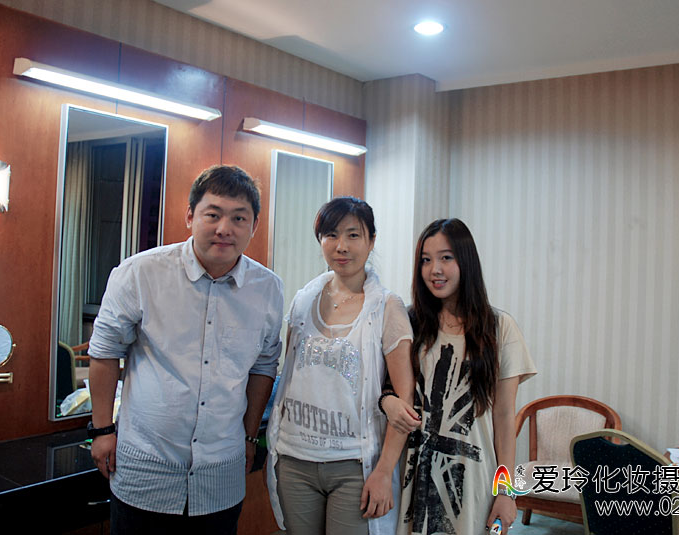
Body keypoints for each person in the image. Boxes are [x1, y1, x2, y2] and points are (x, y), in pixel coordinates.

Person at [87, 165, 284, 534]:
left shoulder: (268, 289)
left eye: (239, 218)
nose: (225, 228)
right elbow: (104, 352)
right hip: (145, 467)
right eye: (213, 214)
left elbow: (263, 366)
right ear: (191, 216)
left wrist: (249, 436)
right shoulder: (140, 273)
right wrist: (102, 429)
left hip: (221, 472)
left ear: (254, 225)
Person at [265, 196, 415, 535]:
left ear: (371, 241)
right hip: (294, 458)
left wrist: (383, 471)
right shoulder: (303, 300)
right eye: (331, 235)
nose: (341, 246)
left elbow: (404, 401)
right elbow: (289, 377)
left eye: (353, 235)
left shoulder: (386, 307)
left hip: (354, 465)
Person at [382, 218, 537, 535]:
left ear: (466, 261)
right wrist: (386, 402)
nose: (434, 270)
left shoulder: (499, 327)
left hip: (472, 480)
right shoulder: (409, 322)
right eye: (426, 260)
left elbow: (504, 418)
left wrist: (506, 492)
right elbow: (388, 391)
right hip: (414, 476)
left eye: (446, 258)